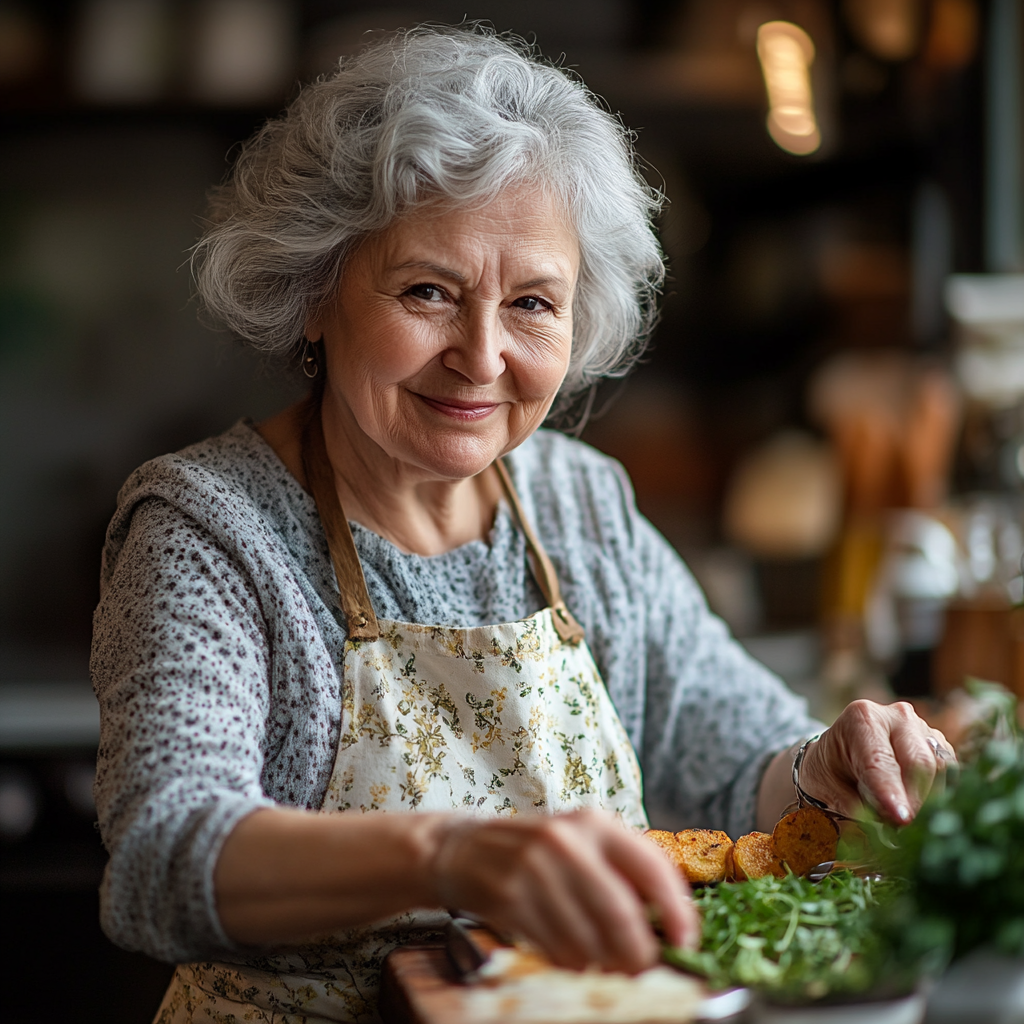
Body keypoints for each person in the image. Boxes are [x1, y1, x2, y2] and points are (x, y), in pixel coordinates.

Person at [90, 25, 952, 1024]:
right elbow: (164, 857)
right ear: (316, 289)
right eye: (428, 291)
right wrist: (452, 851)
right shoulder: (210, 527)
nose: (482, 354)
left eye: (532, 303)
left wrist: (825, 761)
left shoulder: (581, 505)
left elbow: (730, 761)